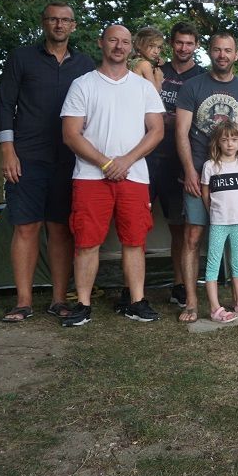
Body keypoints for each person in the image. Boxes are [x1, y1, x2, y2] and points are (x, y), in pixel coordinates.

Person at [59, 24, 165, 327]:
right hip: (91, 177)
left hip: (134, 176)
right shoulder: (83, 85)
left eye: (125, 42)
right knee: (87, 241)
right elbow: (71, 134)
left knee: (134, 240)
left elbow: (157, 130)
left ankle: (136, 301)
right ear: (101, 44)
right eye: (113, 41)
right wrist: (106, 164)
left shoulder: (143, 87)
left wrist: (127, 160)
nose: (119, 47)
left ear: (132, 48)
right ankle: (82, 304)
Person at [0, 1, 95, 323]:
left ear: (74, 26)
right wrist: (7, 150)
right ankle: (23, 302)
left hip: (70, 159)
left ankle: (57, 300)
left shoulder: (85, 65)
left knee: (61, 229)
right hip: (26, 156)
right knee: (26, 226)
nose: (59, 25)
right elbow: (4, 105)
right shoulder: (21, 58)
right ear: (43, 23)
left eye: (65, 20)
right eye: (53, 19)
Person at [174, 31, 238, 323]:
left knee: (237, 234)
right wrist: (189, 171)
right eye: (217, 50)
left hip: (236, 177)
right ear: (209, 52)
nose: (222, 55)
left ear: (236, 55)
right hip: (201, 173)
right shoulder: (192, 86)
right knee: (194, 236)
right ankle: (191, 301)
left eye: (228, 50)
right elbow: (181, 132)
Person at [151, 22, 204, 309]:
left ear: (196, 45)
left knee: (179, 228)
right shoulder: (156, 70)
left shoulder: (201, 77)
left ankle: (179, 285)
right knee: (133, 223)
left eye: (189, 43)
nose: (183, 48)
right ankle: (129, 289)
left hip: (181, 161)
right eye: (179, 42)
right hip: (147, 156)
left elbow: (199, 121)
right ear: (171, 43)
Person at [199, 121, 238, 322]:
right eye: (225, 140)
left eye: (234, 139)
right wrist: (213, 212)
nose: (230, 144)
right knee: (213, 263)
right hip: (218, 222)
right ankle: (215, 307)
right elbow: (206, 193)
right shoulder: (210, 166)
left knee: (237, 263)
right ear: (218, 143)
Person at [130, 26, 165, 93]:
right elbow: (154, 93)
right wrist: (158, 78)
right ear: (139, 44)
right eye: (151, 46)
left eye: (159, 47)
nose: (156, 51)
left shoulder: (134, 62)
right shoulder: (145, 64)